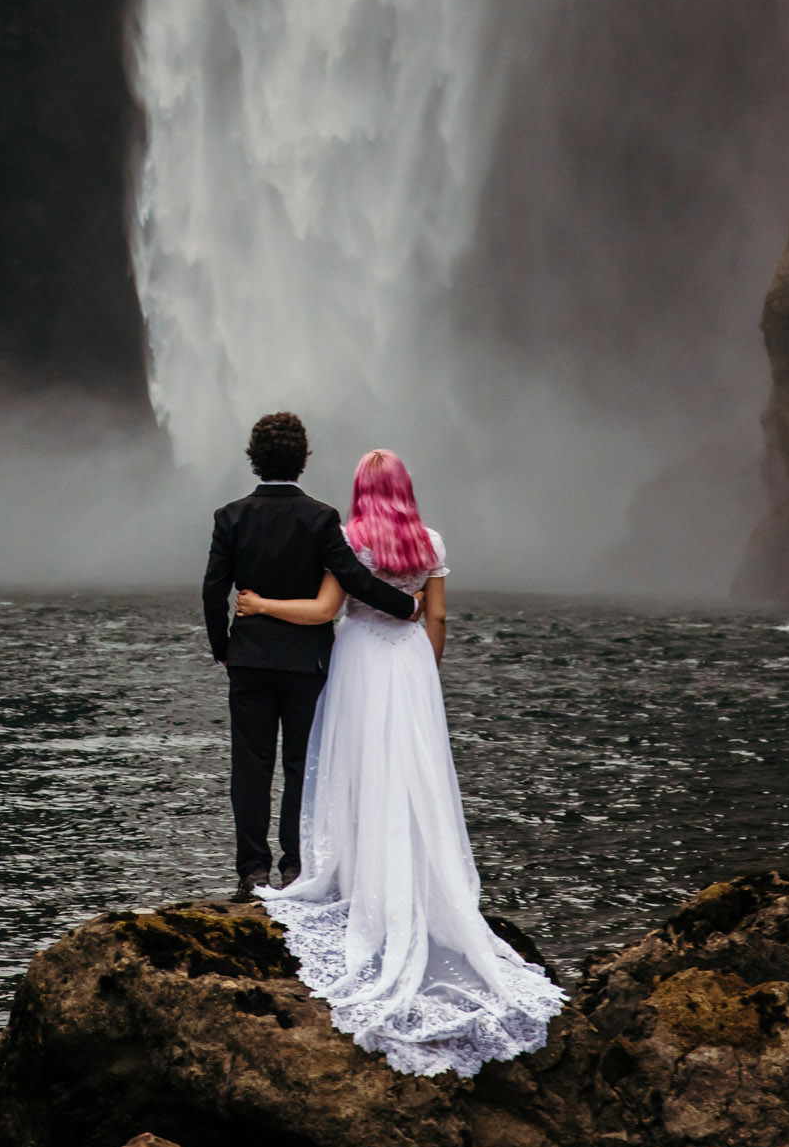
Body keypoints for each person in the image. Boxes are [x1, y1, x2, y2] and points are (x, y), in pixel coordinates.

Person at [233, 446, 565, 1078]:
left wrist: (258, 606)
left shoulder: (349, 538)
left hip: (360, 656)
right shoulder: (428, 540)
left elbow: (330, 611)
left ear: (361, 489)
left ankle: (359, 878)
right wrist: (424, 672)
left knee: (357, 770)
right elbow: (435, 615)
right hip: (411, 659)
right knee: (414, 773)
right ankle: (417, 878)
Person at [202, 411, 421, 903]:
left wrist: (223, 649)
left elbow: (213, 591)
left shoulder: (230, 516)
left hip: (250, 659)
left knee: (251, 765)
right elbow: (354, 579)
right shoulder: (321, 518)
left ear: (254, 459)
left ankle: (252, 872)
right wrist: (406, 606)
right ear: (303, 459)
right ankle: (295, 865)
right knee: (303, 764)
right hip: (307, 662)